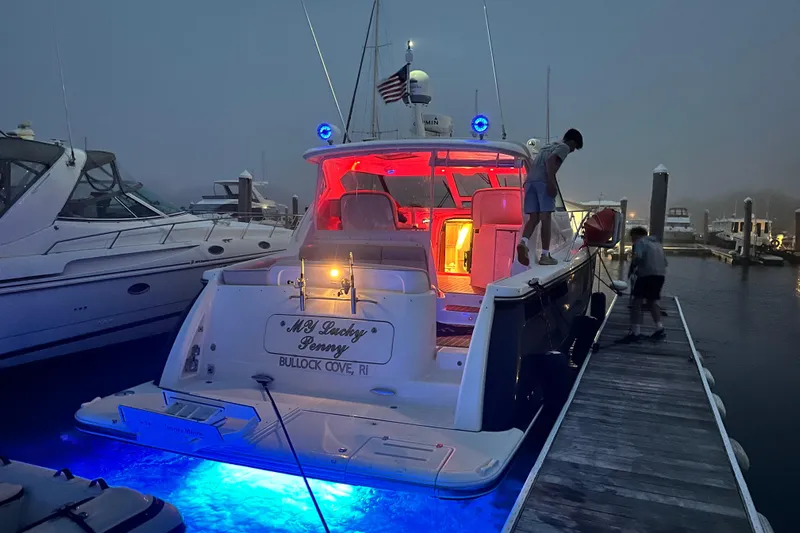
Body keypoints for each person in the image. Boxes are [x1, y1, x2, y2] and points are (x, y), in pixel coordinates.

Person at [516, 128, 583, 266]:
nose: (572, 151)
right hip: (543, 181)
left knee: (534, 218)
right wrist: (551, 183)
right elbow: (550, 162)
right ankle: (545, 255)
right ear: (572, 142)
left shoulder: (547, 146)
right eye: (575, 147)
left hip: (530, 182)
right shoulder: (564, 147)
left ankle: (523, 242)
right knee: (546, 217)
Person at [621, 226, 668, 342]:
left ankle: (635, 332)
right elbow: (665, 262)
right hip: (660, 276)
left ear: (636, 235)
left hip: (647, 275)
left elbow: (637, 258)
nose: (631, 240)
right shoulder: (657, 244)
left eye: (632, 237)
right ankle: (659, 328)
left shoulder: (640, 242)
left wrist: (632, 270)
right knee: (652, 301)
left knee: (636, 302)